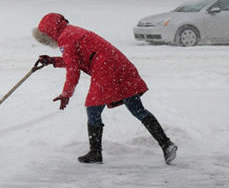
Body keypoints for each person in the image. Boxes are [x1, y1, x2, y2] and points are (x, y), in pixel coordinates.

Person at [33, 12, 178, 165]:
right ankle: (166, 144)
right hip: (119, 64)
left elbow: (73, 68)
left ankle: (95, 153)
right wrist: (52, 61)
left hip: (105, 69)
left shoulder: (65, 39)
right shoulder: (72, 31)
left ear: (49, 32)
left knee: (93, 108)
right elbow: (76, 60)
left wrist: (66, 93)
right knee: (137, 109)